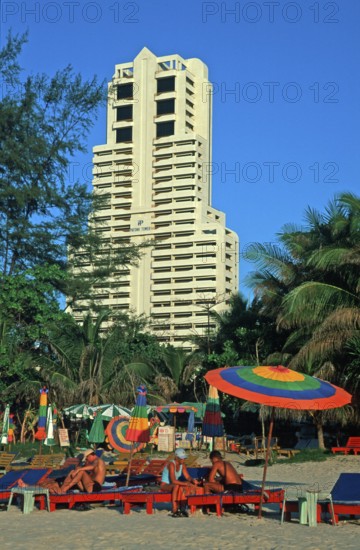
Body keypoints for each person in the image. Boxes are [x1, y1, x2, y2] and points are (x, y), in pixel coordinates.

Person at [18, 449, 106, 495]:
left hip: (95, 487)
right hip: (88, 486)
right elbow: (85, 473)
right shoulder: (91, 463)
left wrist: (79, 469)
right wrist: (76, 470)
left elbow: (93, 466)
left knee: (80, 472)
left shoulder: (98, 460)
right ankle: (28, 486)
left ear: (92, 455)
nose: (86, 459)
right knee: (55, 483)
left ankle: (63, 489)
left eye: (87, 458)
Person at [160, 448, 201, 517]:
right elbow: (173, 480)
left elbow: (187, 477)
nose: (183, 460)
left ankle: (183, 507)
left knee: (186, 485)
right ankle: (174, 508)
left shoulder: (183, 465)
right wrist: (186, 483)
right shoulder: (171, 464)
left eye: (184, 458)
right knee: (177, 485)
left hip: (174, 484)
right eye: (181, 458)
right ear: (176, 458)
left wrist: (193, 480)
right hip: (165, 485)